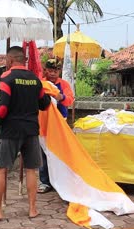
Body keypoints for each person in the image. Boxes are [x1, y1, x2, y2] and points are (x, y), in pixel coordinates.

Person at [0, 46, 51, 220]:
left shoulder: (7, 78)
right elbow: (45, 104)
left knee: (0, 169)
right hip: (32, 130)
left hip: (11, 131)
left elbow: (3, 108)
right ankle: (33, 209)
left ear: (10, 61)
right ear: (23, 60)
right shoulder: (35, 79)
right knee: (31, 170)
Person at [37, 58, 75, 193]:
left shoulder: (63, 84)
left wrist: (61, 97)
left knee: (59, 153)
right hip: (42, 124)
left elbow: (70, 100)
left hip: (59, 124)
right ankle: (45, 181)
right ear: (45, 70)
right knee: (43, 153)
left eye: (55, 71)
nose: (53, 74)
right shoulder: (40, 84)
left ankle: (60, 180)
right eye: (50, 70)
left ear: (59, 71)